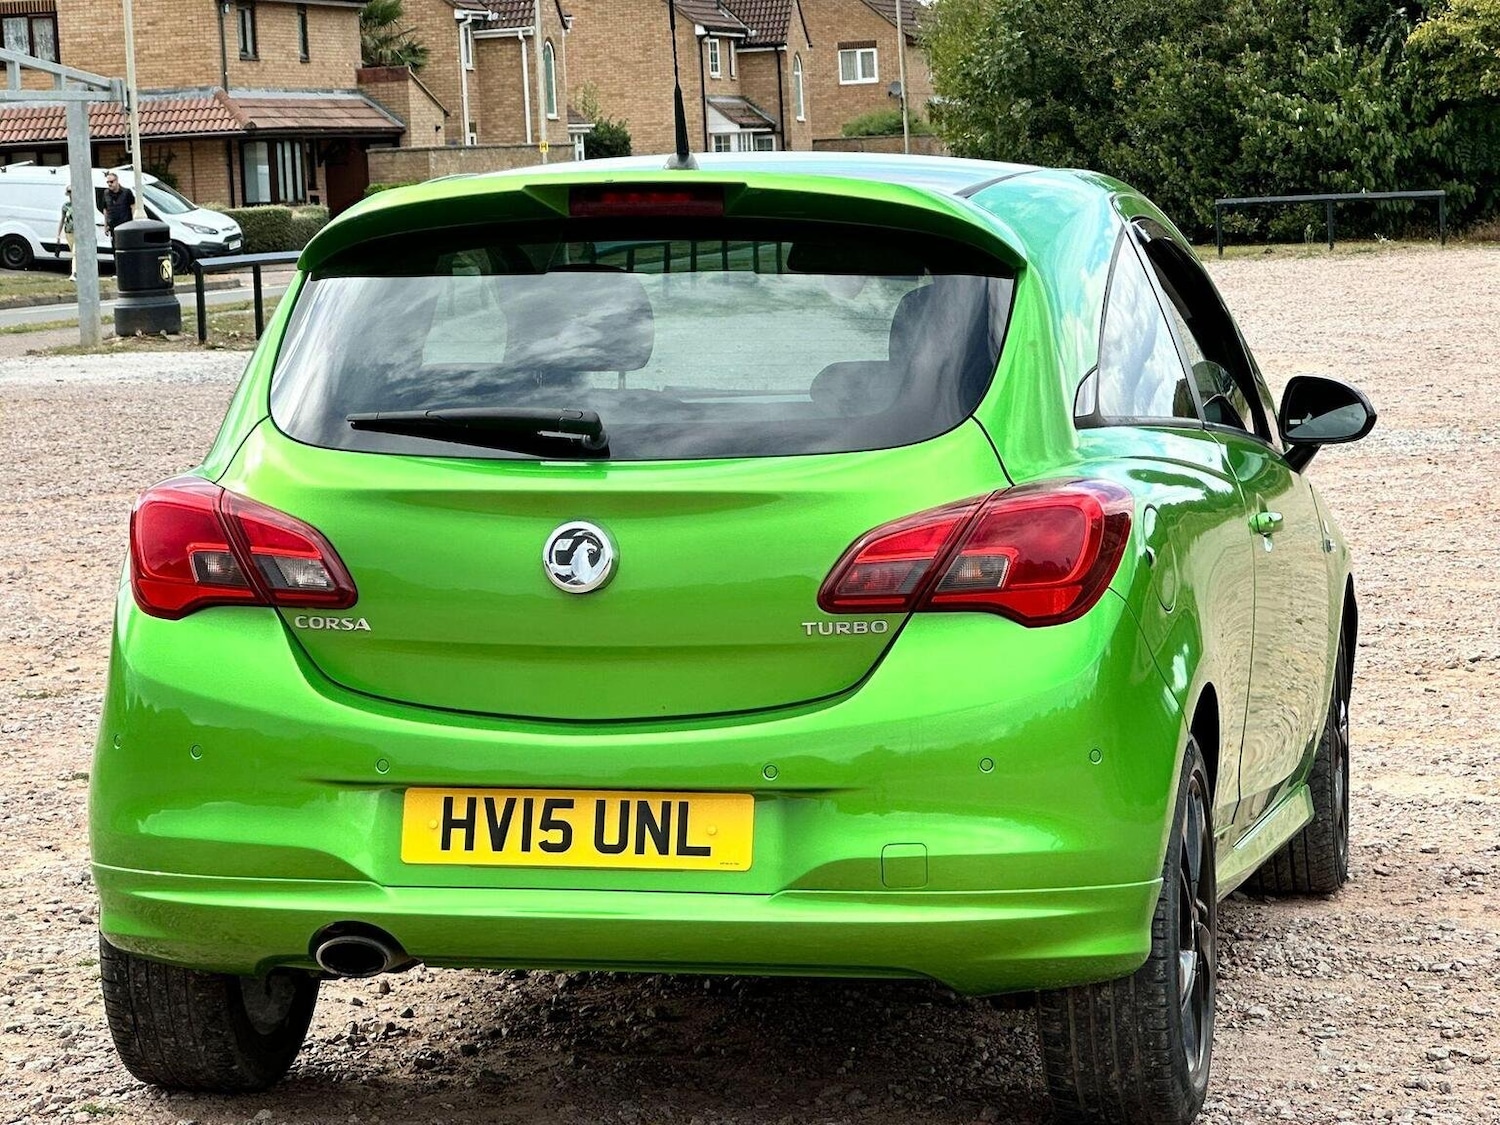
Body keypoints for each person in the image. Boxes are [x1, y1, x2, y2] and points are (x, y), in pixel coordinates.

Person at [102, 172, 135, 245]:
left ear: (117, 181)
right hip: (113, 226)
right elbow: (105, 209)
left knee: (126, 246)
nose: (109, 184)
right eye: (108, 182)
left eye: (111, 182)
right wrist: (106, 224)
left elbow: (133, 206)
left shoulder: (126, 192)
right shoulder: (106, 193)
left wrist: (133, 222)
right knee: (115, 247)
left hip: (125, 226)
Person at [56, 186, 76, 281]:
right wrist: (58, 234)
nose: (71, 194)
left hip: (78, 232)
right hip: (69, 231)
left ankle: (74, 273)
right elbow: (62, 219)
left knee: (75, 252)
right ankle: (77, 271)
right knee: (73, 252)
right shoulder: (66, 206)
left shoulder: (80, 204)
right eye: (69, 192)